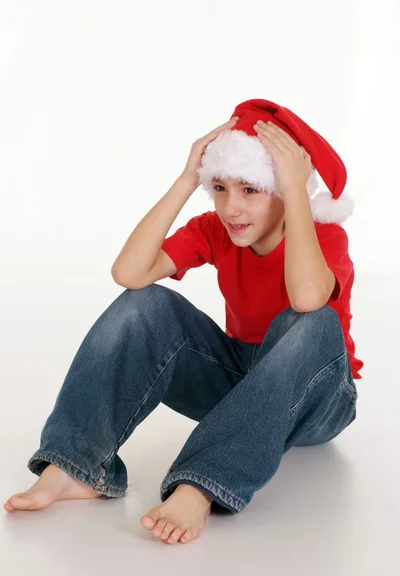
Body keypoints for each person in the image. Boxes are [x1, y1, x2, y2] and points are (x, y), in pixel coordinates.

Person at [4, 98, 363, 546]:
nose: (232, 208)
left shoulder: (324, 234)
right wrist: (185, 180)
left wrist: (296, 193)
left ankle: (201, 483)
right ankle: (73, 465)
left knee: (311, 320)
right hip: (242, 382)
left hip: (318, 397)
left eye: (251, 189)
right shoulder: (216, 229)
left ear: (285, 187)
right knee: (144, 302)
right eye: (219, 187)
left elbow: (308, 298)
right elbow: (129, 273)